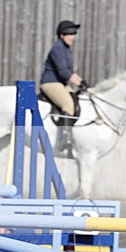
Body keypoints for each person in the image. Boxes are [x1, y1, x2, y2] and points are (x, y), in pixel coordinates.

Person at [40, 20, 85, 155]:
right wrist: (78, 82)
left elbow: (69, 72)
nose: (73, 37)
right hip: (50, 83)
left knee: (77, 99)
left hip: (60, 83)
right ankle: (64, 138)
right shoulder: (57, 48)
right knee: (68, 104)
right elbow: (63, 72)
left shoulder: (66, 49)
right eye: (70, 34)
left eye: (74, 34)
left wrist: (82, 81)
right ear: (61, 35)